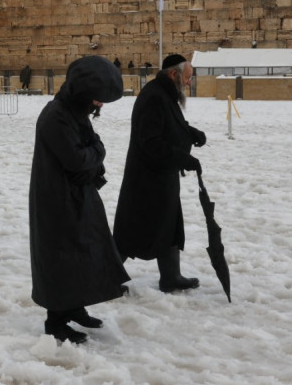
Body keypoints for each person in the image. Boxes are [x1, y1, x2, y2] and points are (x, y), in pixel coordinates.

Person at [29, 55, 131, 344]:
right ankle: (56, 321)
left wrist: (94, 151)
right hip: (57, 202)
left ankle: (75, 306)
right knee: (61, 258)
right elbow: (78, 158)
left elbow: (90, 150)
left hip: (77, 196)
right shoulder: (55, 115)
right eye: (96, 99)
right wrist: (98, 151)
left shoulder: (75, 113)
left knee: (81, 254)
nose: (98, 105)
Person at [113, 54, 207, 294]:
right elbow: (150, 141)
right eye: (187, 78)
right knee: (132, 232)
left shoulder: (165, 94)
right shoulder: (154, 97)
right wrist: (182, 157)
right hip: (146, 181)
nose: (189, 83)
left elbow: (169, 126)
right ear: (173, 74)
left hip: (161, 177)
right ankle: (103, 276)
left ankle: (171, 276)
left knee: (169, 225)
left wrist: (189, 132)